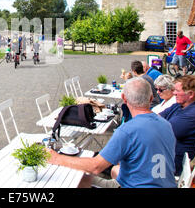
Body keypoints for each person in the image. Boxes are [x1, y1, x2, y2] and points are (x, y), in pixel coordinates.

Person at [48, 77, 177, 188]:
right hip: (163, 182)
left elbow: (95, 166)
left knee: (80, 177)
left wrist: (56, 158)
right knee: (114, 170)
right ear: (151, 98)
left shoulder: (127, 131)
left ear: (124, 99)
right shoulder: (166, 124)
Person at [159, 75, 195, 176]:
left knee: (126, 164)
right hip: (163, 156)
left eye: (177, 90)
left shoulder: (194, 115)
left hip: (168, 165)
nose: (174, 93)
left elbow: (161, 132)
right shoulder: (179, 105)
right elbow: (157, 117)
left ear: (190, 94)